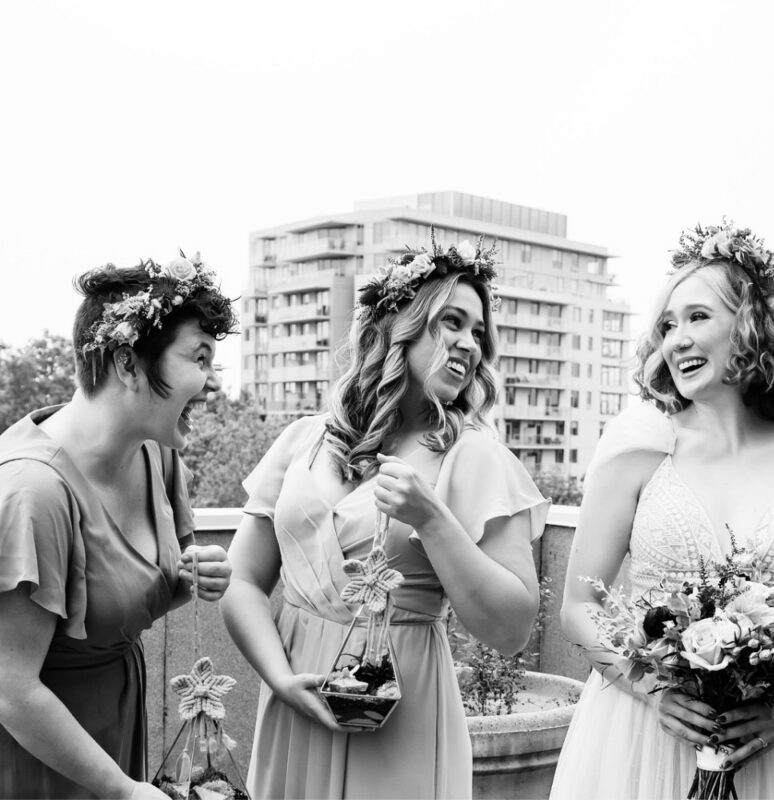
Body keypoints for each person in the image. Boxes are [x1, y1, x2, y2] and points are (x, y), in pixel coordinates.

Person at [550, 222, 774, 799]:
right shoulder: (639, 447)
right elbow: (580, 604)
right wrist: (654, 692)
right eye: (668, 325)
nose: (676, 340)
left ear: (752, 326)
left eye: (698, 317)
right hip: (640, 737)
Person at [221, 236, 548, 799]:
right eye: (453, 322)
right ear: (399, 326)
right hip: (295, 700)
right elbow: (242, 581)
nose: (470, 344)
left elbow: (511, 628)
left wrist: (432, 518)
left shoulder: (475, 456)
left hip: (400, 710)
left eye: (478, 332)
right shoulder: (304, 440)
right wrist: (279, 679)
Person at [0, 254, 237, 799]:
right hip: (39, 755)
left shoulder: (159, 455)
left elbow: (118, 598)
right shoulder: (33, 493)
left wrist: (193, 578)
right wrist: (122, 789)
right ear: (128, 362)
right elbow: (11, 687)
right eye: (200, 358)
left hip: (116, 733)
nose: (213, 384)